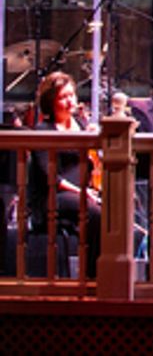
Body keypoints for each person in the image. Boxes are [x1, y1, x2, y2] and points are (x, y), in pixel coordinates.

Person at [26, 71, 101, 276]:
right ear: (51, 102)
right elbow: (51, 177)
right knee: (94, 212)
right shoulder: (44, 130)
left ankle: (106, 273)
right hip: (52, 197)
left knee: (117, 208)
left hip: (82, 194)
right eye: (63, 97)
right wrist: (83, 193)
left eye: (71, 95)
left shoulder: (83, 126)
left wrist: (95, 138)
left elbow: (95, 165)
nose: (70, 101)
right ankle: (91, 275)